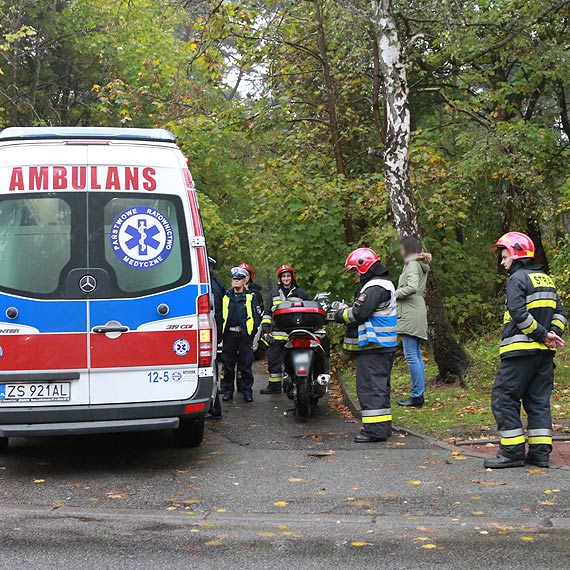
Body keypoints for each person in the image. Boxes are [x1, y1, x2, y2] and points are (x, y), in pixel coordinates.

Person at [485, 232, 566, 469]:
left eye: (504, 256)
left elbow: (519, 314)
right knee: (538, 402)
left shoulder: (517, 279)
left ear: (516, 253)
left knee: (503, 399)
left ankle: (512, 453)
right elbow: (561, 313)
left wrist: (542, 334)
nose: (502, 262)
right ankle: (540, 454)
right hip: (544, 355)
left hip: (519, 353)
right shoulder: (546, 279)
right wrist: (552, 335)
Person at [335, 248, 398, 443]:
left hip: (375, 347)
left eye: (355, 270)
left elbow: (358, 313)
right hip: (381, 346)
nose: (355, 275)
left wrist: (340, 314)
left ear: (364, 267)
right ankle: (382, 427)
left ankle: (374, 431)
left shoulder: (375, 287)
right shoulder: (381, 285)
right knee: (380, 388)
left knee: (371, 388)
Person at [259, 264, 311, 394]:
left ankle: (295, 385)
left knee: (294, 361)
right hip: (276, 335)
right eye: (283, 276)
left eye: (288, 276)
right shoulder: (273, 293)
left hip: (294, 334)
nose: (286, 278)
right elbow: (266, 314)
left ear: (292, 277)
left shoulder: (301, 293)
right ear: (280, 278)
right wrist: (266, 331)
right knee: (274, 361)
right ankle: (274, 386)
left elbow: (309, 310)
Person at [395, 236, 431, 408]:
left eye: (402, 248)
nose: (400, 251)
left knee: (411, 355)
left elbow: (412, 287)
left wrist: (393, 294)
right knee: (415, 355)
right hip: (416, 310)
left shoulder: (412, 264)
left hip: (410, 311)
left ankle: (417, 395)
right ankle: (419, 393)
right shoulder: (417, 263)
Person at [220, 267, 262, 403]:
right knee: (228, 366)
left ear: (244, 281)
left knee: (245, 366)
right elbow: (221, 316)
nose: (236, 281)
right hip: (229, 335)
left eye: (239, 279)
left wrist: (251, 333)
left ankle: (247, 392)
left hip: (244, 336)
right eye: (234, 279)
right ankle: (227, 391)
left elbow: (257, 317)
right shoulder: (226, 296)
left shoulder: (251, 297)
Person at [207, 256, 226, 419]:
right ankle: (215, 406)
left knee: (211, 365)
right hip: (215, 328)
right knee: (213, 364)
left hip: (211, 329)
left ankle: (215, 407)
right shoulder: (217, 283)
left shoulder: (211, 285)